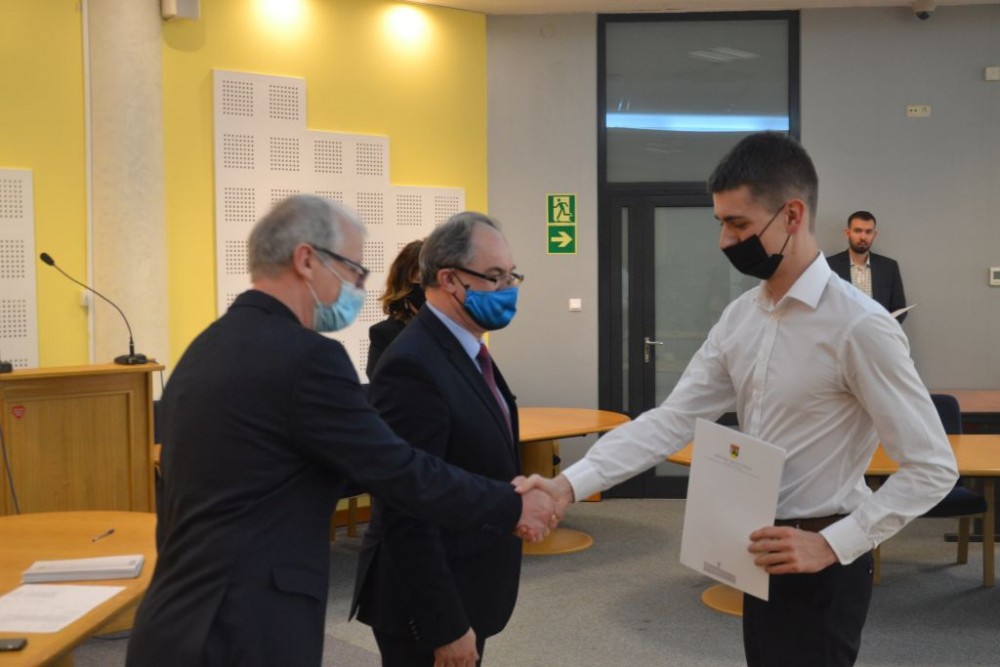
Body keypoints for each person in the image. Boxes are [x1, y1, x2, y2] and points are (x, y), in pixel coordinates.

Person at [520, 133, 957, 666]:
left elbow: (932, 467)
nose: (725, 241)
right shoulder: (741, 317)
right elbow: (673, 420)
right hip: (757, 548)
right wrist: (566, 486)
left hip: (823, 561)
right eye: (721, 223)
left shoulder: (859, 326)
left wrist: (834, 543)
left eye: (739, 224)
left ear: (792, 215)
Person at [125, 195, 558, 667]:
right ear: (307, 260)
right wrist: (512, 504)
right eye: (352, 269)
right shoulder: (308, 359)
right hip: (245, 626)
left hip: (177, 617)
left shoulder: (205, 347)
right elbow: (402, 472)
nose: (358, 286)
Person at [353, 213, 524, 667]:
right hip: (429, 606)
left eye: (512, 275)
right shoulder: (412, 365)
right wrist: (444, 625)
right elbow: (405, 506)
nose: (508, 289)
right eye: (494, 276)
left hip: (470, 580)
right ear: (449, 280)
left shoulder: (466, 348)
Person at [827, 211, 908, 321]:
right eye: (858, 231)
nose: (863, 237)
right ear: (847, 233)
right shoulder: (829, 266)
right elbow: (823, 307)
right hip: (842, 331)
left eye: (868, 232)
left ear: (874, 234)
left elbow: (899, 308)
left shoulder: (889, 267)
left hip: (879, 331)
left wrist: (884, 328)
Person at [366, 238, 424, 377]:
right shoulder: (385, 334)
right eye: (420, 280)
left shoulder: (457, 330)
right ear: (405, 286)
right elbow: (381, 385)